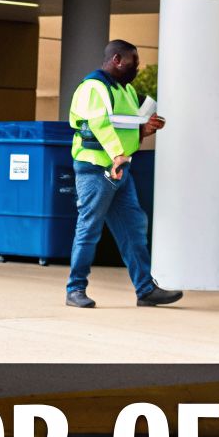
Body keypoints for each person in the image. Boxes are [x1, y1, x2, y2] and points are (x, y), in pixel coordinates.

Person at [65, 40, 183, 309]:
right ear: (117, 59)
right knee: (89, 229)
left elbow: (123, 126)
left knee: (133, 228)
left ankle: (145, 290)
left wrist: (144, 130)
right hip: (97, 168)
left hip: (120, 167)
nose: (138, 68)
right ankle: (75, 289)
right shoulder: (94, 87)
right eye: (134, 62)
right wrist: (118, 155)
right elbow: (100, 125)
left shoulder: (126, 90)